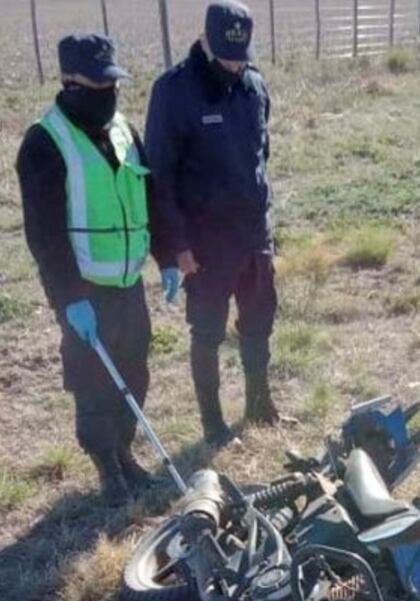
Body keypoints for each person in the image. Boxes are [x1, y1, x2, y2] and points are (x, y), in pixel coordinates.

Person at [16, 34, 179, 506]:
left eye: (114, 83)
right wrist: (70, 299)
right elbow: (44, 235)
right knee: (93, 383)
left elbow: (151, 198)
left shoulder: (125, 130)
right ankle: (106, 467)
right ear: (69, 83)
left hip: (129, 283)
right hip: (85, 290)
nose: (108, 93)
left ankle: (125, 453)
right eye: (97, 84)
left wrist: (166, 257)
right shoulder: (45, 142)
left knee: (134, 373)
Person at [146, 0, 294, 448]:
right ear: (206, 40)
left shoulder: (253, 86)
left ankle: (260, 404)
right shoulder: (174, 91)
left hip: (253, 237)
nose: (234, 64)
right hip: (205, 245)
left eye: (241, 56)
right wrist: (175, 246)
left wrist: (262, 224)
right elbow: (159, 176)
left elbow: (259, 158)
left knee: (258, 322)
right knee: (207, 331)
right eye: (227, 55)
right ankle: (212, 423)